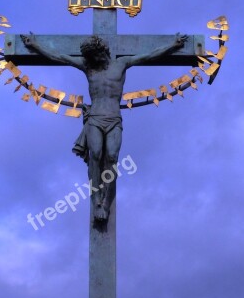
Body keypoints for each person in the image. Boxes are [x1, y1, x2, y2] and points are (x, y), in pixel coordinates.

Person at [20, 32, 187, 221]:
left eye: (96, 56)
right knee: (96, 156)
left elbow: (149, 55)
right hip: (95, 119)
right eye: (91, 58)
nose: (94, 60)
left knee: (112, 158)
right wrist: (35, 45)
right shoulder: (88, 67)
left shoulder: (121, 64)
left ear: (103, 51)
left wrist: (173, 45)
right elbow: (60, 56)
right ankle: (96, 200)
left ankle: (106, 203)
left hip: (114, 118)